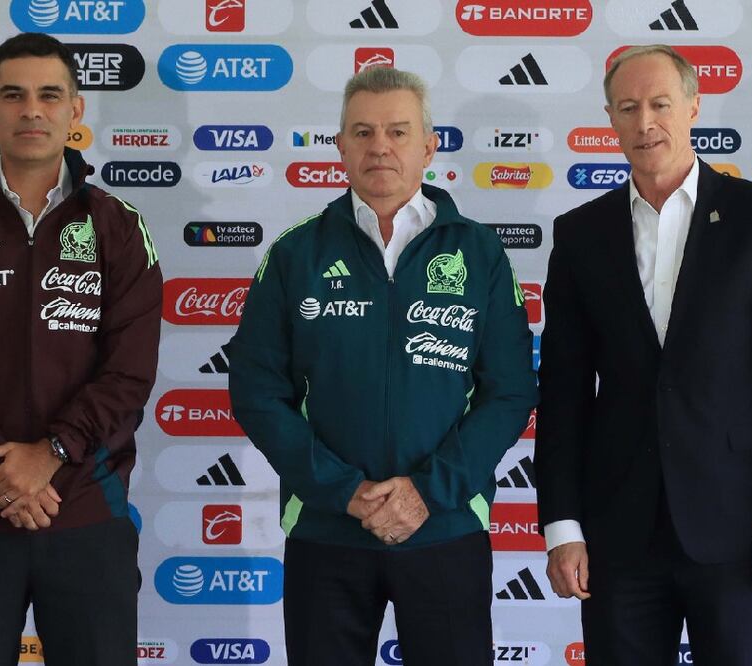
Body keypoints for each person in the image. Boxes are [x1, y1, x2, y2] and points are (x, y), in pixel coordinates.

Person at [227, 65, 537, 666]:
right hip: (327, 529)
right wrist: (343, 491)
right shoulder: (295, 254)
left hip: (445, 528)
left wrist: (428, 492)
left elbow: (510, 392)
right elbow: (257, 392)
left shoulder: (480, 253)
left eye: (397, 131)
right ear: (340, 145)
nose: (380, 147)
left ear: (429, 145)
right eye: (363, 132)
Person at [0, 32, 162, 666]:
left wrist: (54, 454)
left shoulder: (120, 228)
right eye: (14, 96)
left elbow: (129, 372)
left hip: (88, 512)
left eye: (50, 95)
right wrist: (4, 468)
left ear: (77, 110)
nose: (32, 111)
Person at [536, 44, 752, 665]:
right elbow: (561, 392)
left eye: (661, 104)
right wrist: (562, 526)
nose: (645, 123)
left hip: (739, 530)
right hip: (617, 536)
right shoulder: (580, 234)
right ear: (609, 118)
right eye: (628, 107)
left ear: (693, 106)